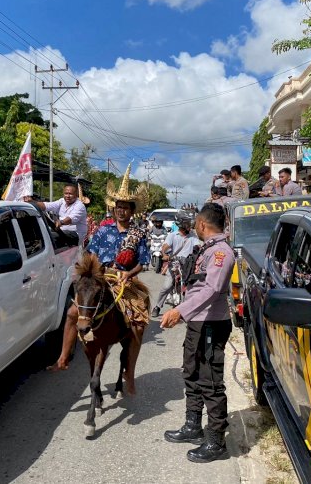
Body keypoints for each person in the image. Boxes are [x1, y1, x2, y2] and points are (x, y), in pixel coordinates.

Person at [47, 166, 150, 394]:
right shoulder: (103, 231)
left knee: (138, 324)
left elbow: (143, 261)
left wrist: (128, 274)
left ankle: (129, 373)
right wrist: (90, 273)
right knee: (73, 312)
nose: (121, 211)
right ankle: (63, 357)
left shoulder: (139, 234)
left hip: (124, 280)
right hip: (98, 278)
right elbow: (90, 254)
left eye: (125, 207)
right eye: (118, 207)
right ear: (114, 209)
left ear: (131, 211)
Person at [160, 203, 235, 463]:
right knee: (191, 372)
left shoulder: (221, 253)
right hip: (198, 323)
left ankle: (216, 441)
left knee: (210, 382)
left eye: (196, 223)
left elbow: (212, 289)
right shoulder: (207, 248)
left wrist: (180, 310)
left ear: (202, 224)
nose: (194, 227)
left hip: (212, 324)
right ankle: (193, 426)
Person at [151, 212, 199, 317]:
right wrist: (164, 254)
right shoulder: (172, 235)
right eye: (187, 223)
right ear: (180, 224)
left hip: (188, 266)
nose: (189, 225)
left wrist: (197, 252)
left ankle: (187, 309)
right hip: (174, 264)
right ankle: (157, 306)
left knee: (191, 287)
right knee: (167, 286)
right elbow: (165, 246)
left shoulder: (193, 236)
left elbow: (197, 247)